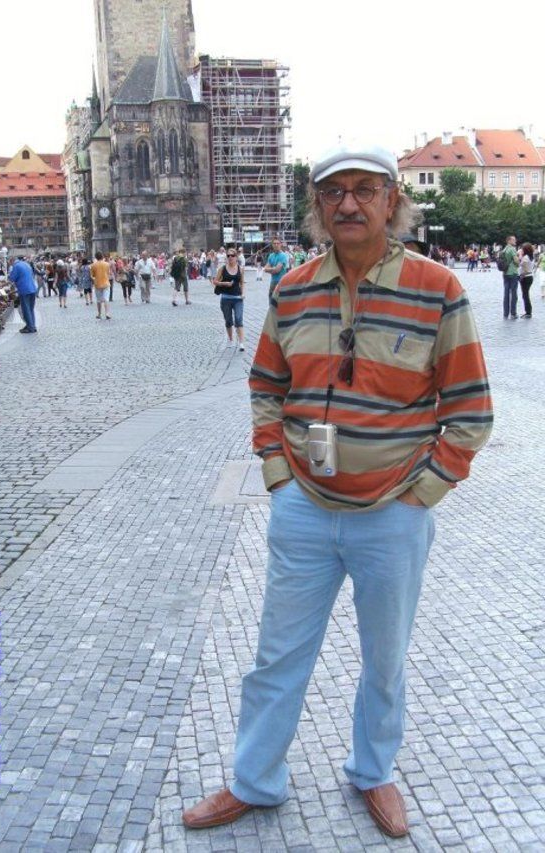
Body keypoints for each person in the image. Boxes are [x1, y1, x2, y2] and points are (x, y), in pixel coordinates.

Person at [182, 142, 493, 839]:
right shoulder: (292, 288)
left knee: (385, 660)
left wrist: (421, 494)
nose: (348, 204)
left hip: (394, 512)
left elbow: (471, 409)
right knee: (277, 655)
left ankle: (373, 771)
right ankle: (254, 780)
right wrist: (277, 473)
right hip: (304, 508)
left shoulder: (437, 288)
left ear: (391, 201)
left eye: (364, 190)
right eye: (333, 192)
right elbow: (267, 385)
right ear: (317, 206)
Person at [214, 247, 245, 350]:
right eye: (228, 255)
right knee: (228, 321)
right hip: (226, 298)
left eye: (232, 255)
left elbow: (242, 283)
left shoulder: (240, 269)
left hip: (238, 298)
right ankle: (231, 339)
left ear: (236, 257)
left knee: (239, 319)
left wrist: (243, 293)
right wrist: (225, 283)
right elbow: (215, 281)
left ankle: (241, 343)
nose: (230, 257)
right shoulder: (222, 269)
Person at [8, 256, 38, 333]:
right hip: (32, 288)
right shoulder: (26, 264)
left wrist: (4, 284)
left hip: (24, 290)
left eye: (10, 263)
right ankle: (32, 325)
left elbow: (11, 278)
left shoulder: (16, 266)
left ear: (12, 261)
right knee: (30, 309)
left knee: (26, 309)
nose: (10, 265)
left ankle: (30, 327)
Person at [500, 235, 519, 319]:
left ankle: (505, 313)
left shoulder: (504, 249)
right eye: (513, 240)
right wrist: (518, 263)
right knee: (514, 294)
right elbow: (516, 261)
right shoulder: (512, 249)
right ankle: (513, 313)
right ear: (509, 241)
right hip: (513, 272)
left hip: (505, 273)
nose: (515, 241)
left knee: (506, 293)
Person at [91, 250, 111, 319]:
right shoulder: (107, 264)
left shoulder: (93, 265)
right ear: (102, 256)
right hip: (106, 283)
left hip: (97, 284)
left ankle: (99, 314)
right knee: (106, 299)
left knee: (99, 300)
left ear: (96, 257)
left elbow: (92, 276)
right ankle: (107, 313)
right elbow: (108, 273)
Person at [518, 242, 534, 318]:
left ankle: (528, 312)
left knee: (525, 295)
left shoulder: (525, 258)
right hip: (529, 277)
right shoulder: (531, 257)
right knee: (526, 294)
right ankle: (528, 311)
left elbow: (523, 266)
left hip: (525, 277)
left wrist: (520, 256)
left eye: (522, 249)